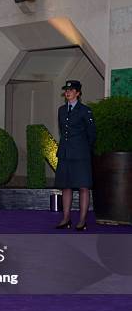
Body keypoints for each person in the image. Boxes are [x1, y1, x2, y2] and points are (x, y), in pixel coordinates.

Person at [54, 80, 96, 231]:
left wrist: (83, 149)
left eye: (71, 90)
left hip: (81, 154)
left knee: (84, 186)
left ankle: (82, 220)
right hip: (65, 153)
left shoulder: (85, 110)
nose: (68, 92)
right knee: (66, 186)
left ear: (78, 93)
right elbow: (63, 131)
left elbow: (91, 134)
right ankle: (66, 218)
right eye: (66, 90)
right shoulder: (61, 110)